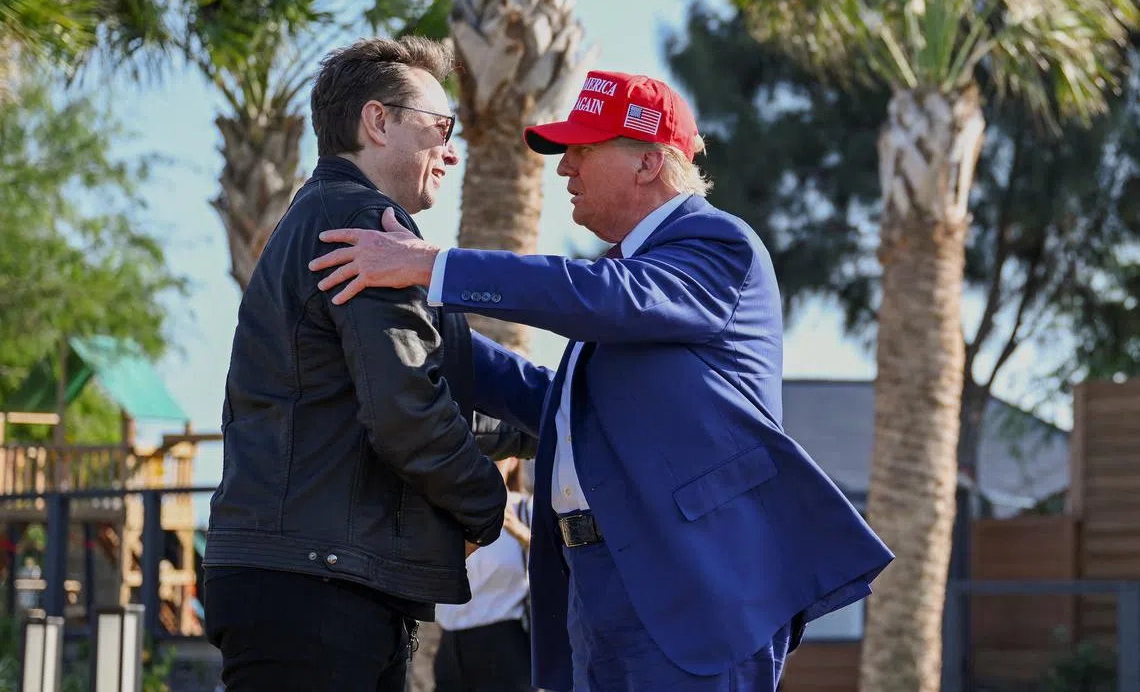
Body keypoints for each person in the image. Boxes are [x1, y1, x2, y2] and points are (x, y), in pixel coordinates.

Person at [309, 70, 895, 692]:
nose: (565, 168)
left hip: (690, 586)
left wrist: (432, 267)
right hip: (599, 587)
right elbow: (555, 404)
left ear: (648, 162)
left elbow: (607, 299)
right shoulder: (622, 278)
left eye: (583, 149)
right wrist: (422, 324)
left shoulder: (718, 243)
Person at [203, 36, 513, 692]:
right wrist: (486, 502)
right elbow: (405, 412)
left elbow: (392, 397)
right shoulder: (367, 227)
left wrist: (549, 420)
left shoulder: (317, 214)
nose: (451, 151)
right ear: (378, 121)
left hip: (304, 581)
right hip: (319, 594)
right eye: (439, 127)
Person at [433, 456, 534, 692]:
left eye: (497, 455)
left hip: (504, 647)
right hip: (449, 647)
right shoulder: (445, 512)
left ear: (513, 461)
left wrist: (519, 531)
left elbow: (558, 564)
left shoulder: (526, 510)